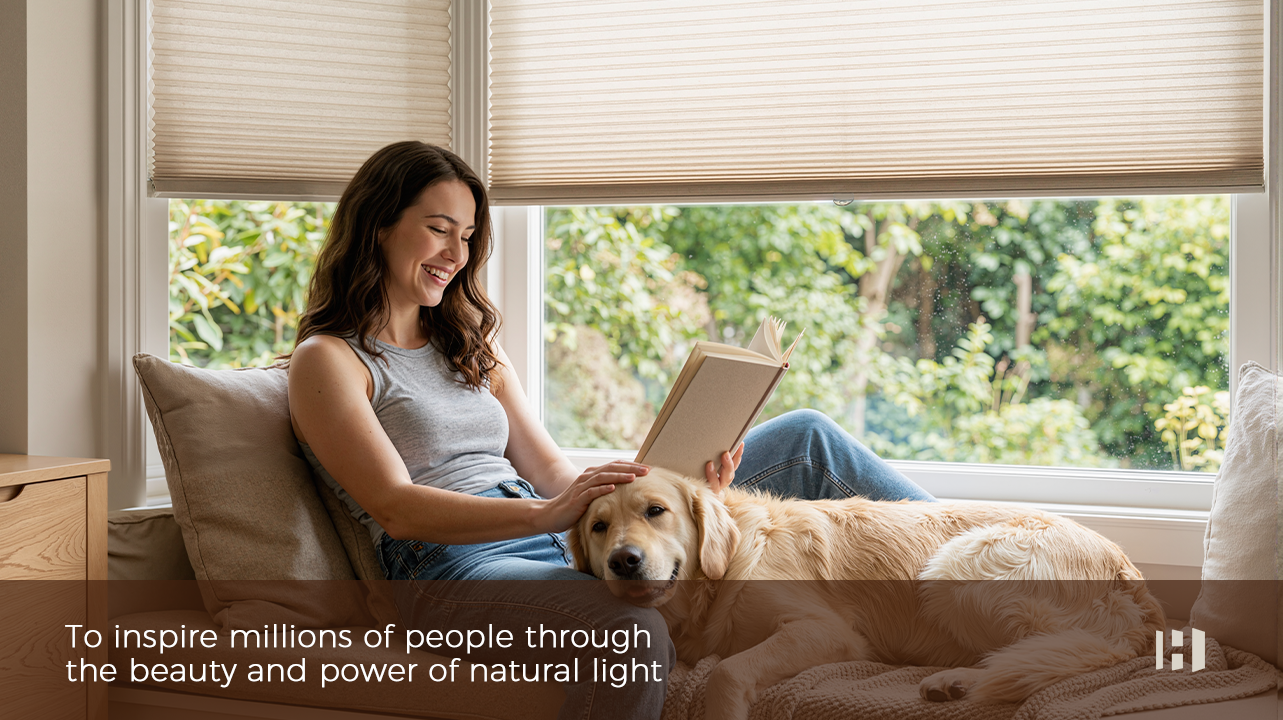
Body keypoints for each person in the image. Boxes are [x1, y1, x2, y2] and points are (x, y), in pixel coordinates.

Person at [285, 141, 933, 720]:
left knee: (805, 440)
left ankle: (986, 564)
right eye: (438, 229)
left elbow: (555, 475)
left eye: (468, 235)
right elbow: (395, 510)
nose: (456, 254)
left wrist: (678, 485)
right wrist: (549, 516)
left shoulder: (469, 342)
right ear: (377, 226)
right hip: (452, 569)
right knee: (633, 631)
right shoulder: (331, 359)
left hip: (551, 532)